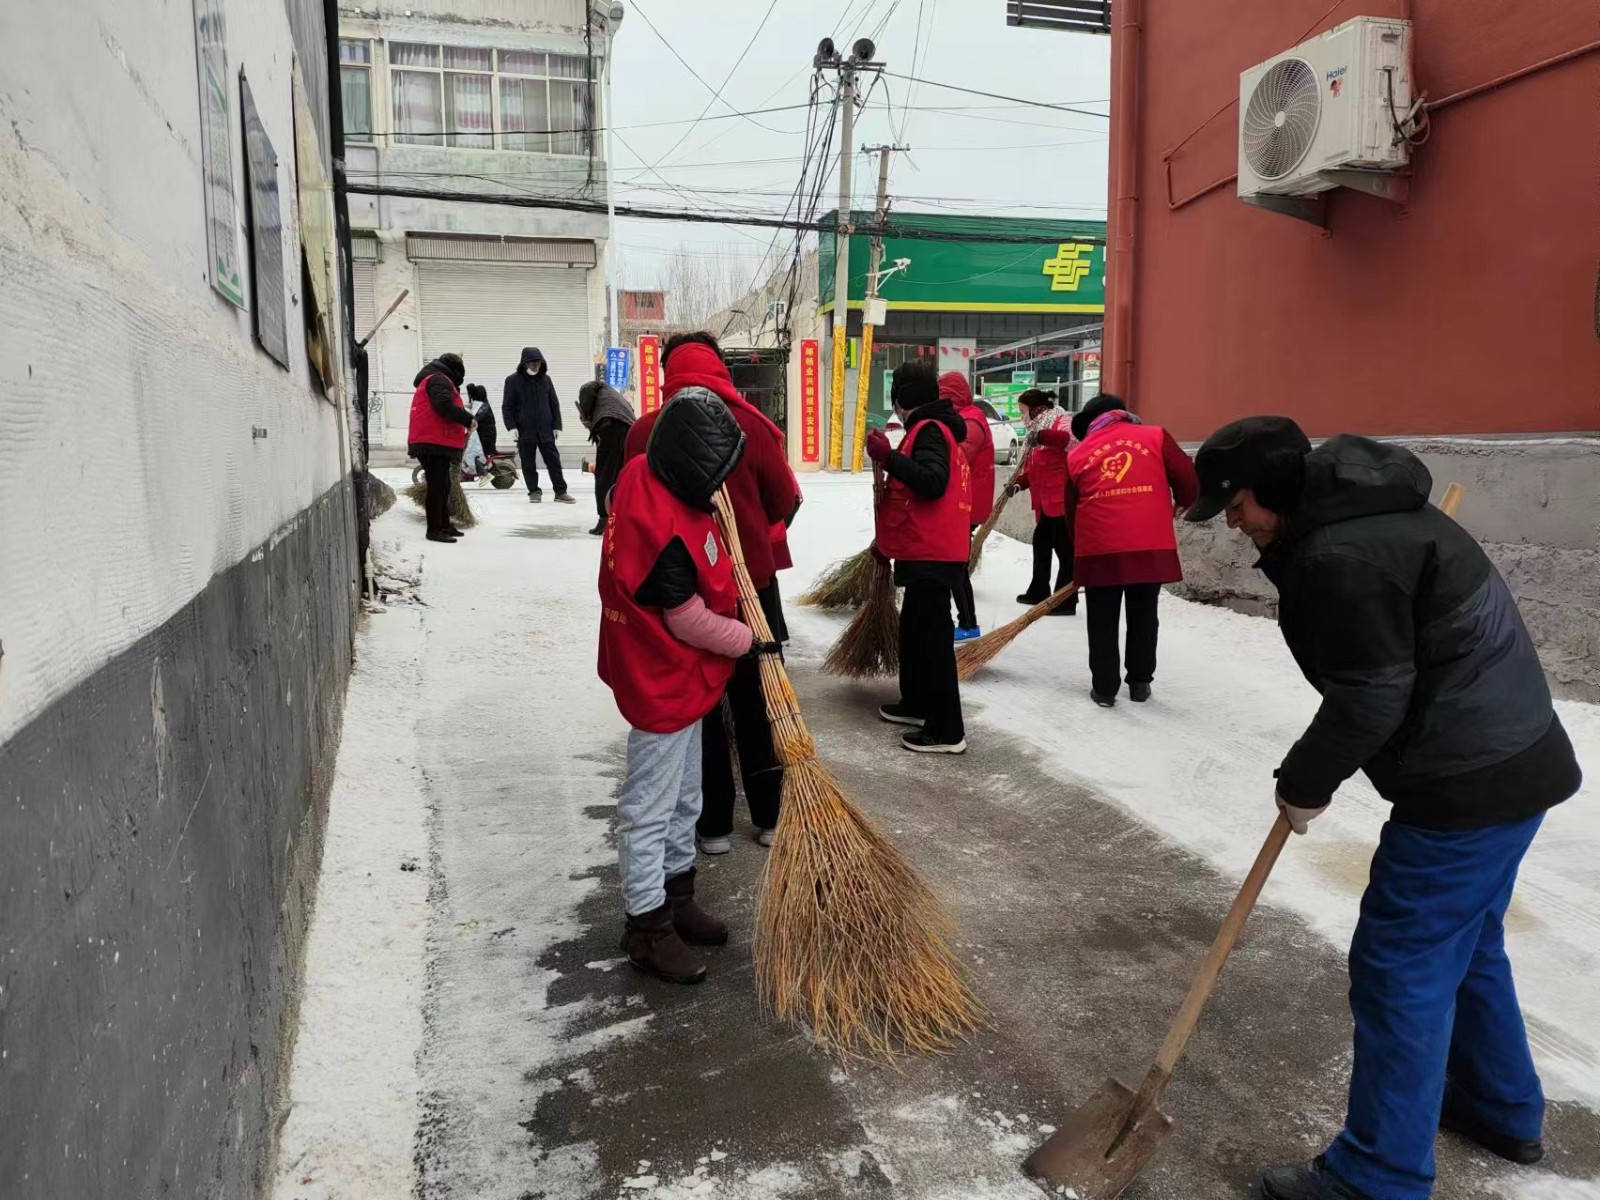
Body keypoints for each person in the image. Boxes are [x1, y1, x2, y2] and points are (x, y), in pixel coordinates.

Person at [1184, 418, 1582, 1200]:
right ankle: (1497, 1106)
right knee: (1465, 944)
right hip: (1514, 756)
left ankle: (1378, 1175)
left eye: (1235, 504)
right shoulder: (1357, 516)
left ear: (1275, 489)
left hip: (1466, 777)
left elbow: (1370, 692)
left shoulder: (1343, 553)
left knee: (1400, 965)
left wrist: (1304, 782)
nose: (1230, 520)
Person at [598, 388, 781, 985]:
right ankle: (647, 926)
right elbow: (688, 620)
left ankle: (678, 897)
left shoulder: (650, 478)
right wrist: (747, 640)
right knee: (650, 807)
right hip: (661, 680)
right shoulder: (662, 531)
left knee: (687, 798)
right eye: (714, 479)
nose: (719, 491)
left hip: (685, 679)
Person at [624, 332, 802, 852]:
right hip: (751, 587)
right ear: (720, 368)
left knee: (699, 704)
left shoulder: (646, 431)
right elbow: (783, 500)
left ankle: (713, 824)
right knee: (760, 697)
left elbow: (627, 506)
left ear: (667, 370)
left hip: (682, 590)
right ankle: (769, 816)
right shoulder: (754, 423)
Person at [1063, 393, 1197, 707]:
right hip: (1149, 542)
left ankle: (1105, 689)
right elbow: (1188, 478)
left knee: (1102, 619)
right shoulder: (1155, 437)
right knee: (1144, 613)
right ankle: (1139, 683)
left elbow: (1071, 510)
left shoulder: (1078, 454)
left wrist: (1079, 547)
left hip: (1100, 546)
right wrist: (1183, 502)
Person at [866, 359, 971, 754]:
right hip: (927, 549)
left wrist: (888, 457)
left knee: (933, 641)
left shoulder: (929, 430)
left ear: (902, 399)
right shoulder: (932, 429)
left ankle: (947, 731)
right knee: (915, 633)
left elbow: (931, 482)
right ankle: (917, 704)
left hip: (933, 553)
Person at [1008, 389, 1077, 614]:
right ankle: (1039, 591)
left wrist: (1044, 437)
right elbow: (1033, 469)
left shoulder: (1061, 422)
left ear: (1035, 409)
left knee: (1065, 551)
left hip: (1061, 500)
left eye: (1022, 411)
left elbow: (1071, 442)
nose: (1021, 417)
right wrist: (1019, 484)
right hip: (1045, 501)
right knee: (1042, 544)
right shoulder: (1034, 432)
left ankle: (1065, 600)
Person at [941, 370, 994, 640]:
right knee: (956, 566)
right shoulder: (965, 417)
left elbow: (960, 454)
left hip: (967, 503)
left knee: (956, 567)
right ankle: (966, 621)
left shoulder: (971, 420)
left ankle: (968, 623)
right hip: (964, 501)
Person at [407, 352, 474, 544]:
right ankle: (434, 529)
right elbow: (443, 405)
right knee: (437, 487)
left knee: (444, 485)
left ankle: (444, 525)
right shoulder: (438, 379)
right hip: (431, 443)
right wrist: (467, 419)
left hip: (435, 441)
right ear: (455, 370)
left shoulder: (437, 378)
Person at [503, 347, 574, 504]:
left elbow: (554, 403)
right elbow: (507, 406)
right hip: (524, 430)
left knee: (553, 461)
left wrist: (557, 425)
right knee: (528, 463)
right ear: (524, 363)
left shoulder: (546, 380)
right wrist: (511, 427)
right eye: (532, 363)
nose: (535, 366)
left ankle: (560, 492)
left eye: (538, 363)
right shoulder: (512, 381)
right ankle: (534, 491)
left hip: (545, 429)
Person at [577, 379, 636, 536]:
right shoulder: (612, 395)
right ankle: (621, 517)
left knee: (604, 474)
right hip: (629, 429)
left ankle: (604, 519)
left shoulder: (592, 388)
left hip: (610, 427)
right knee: (620, 474)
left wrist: (585, 414)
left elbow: (587, 394)